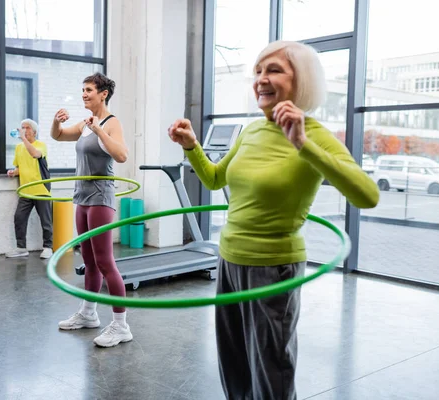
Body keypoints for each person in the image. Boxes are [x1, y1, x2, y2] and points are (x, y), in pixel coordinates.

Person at [168, 41, 380, 400]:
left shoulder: (313, 135)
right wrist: (191, 146)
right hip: (229, 260)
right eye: (258, 71)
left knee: (271, 369)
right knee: (232, 362)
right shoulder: (250, 131)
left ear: (302, 81)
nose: (261, 80)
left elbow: (367, 196)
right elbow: (217, 179)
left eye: (274, 70)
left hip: (274, 265)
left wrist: (303, 144)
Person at [51, 72, 132, 348]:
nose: (84, 94)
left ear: (103, 93)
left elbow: (121, 155)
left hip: (100, 197)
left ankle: (121, 325)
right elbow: (58, 135)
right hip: (82, 197)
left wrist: (99, 130)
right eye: (82, 90)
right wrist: (55, 121)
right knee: (88, 259)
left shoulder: (110, 123)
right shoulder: (85, 124)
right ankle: (88, 314)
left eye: (88, 90)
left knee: (105, 261)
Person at [6, 119, 53, 259]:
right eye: (22, 127)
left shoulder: (41, 145)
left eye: (27, 128)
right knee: (19, 218)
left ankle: (48, 248)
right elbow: (20, 167)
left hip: (41, 189)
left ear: (34, 132)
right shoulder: (19, 148)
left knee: (46, 220)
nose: (24, 130)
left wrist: (23, 139)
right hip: (25, 190)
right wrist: (13, 172)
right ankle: (21, 248)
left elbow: (35, 154)